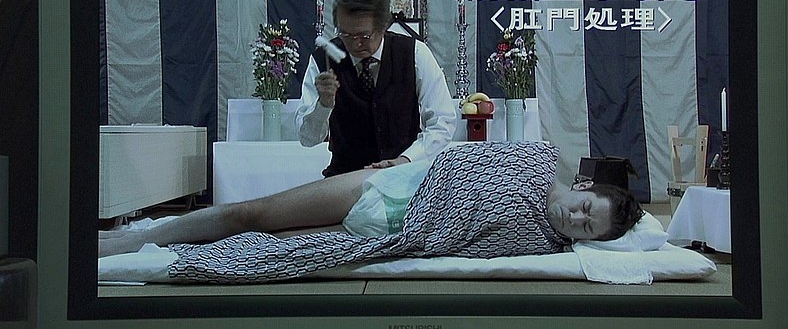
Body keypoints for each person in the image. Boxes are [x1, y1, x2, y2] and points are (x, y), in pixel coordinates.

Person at [99, 143, 644, 285]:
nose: (576, 221)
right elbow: (458, 157)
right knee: (253, 214)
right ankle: (127, 241)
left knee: (271, 251)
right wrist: (407, 165)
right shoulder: (536, 157)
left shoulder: (544, 244)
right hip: (396, 186)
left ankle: (159, 254)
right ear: (581, 187)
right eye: (584, 209)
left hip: (395, 234)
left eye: (587, 228)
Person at [295, 0, 457, 177]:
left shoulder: (414, 53)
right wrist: (324, 105)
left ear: (383, 26)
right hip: (345, 179)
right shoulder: (323, 60)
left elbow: (442, 121)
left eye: (364, 36)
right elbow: (307, 139)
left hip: (404, 176)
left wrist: (406, 159)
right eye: (346, 34)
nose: (355, 44)